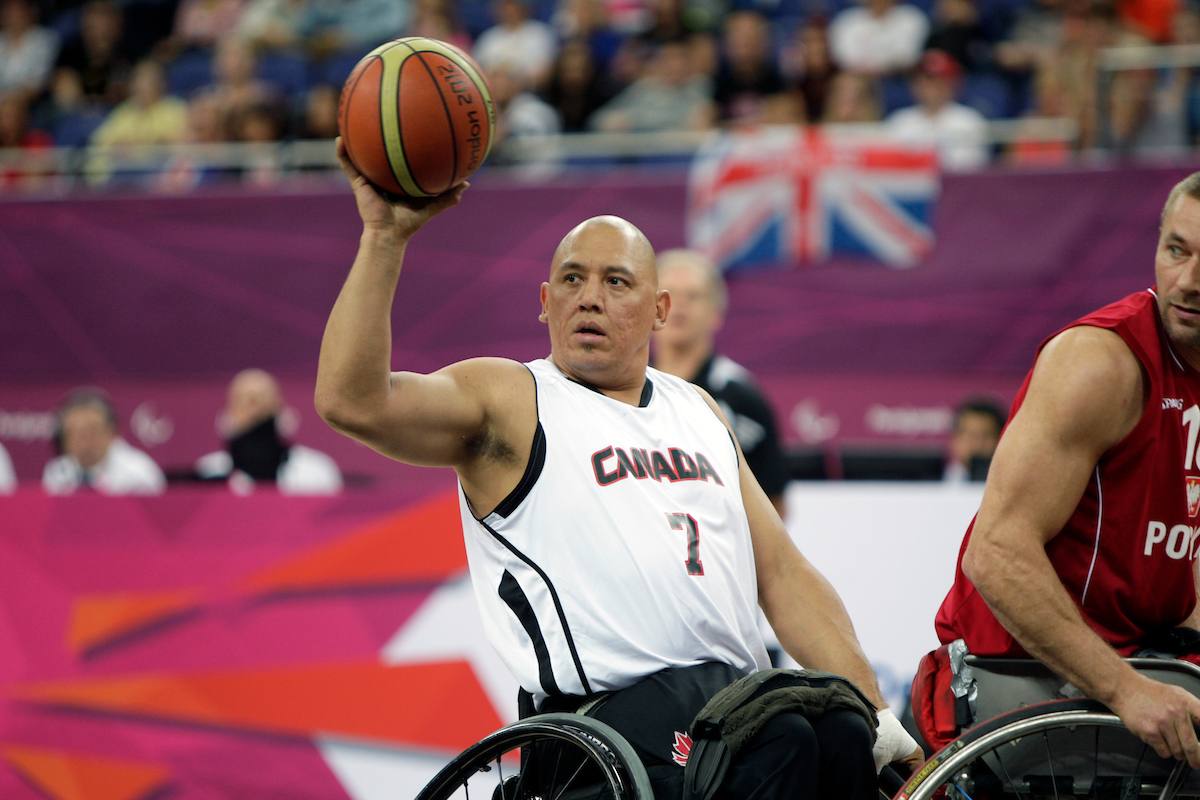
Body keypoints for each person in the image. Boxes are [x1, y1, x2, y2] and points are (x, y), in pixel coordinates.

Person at [315, 137, 923, 800]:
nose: (590, 297)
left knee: (833, 730)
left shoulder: (698, 410)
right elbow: (353, 402)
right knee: (785, 740)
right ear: (545, 301)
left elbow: (782, 573)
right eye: (572, 279)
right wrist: (384, 237)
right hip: (602, 726)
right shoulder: (512, 398)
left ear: (659, 311)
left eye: (616, 281)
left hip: (732, 699)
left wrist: (876, 711)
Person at [925, 171, 1200, 768]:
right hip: (1026, 669)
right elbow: (996, 552)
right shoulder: (1101, 363)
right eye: (1176, 250)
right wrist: (1125, 689)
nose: (1189, 281)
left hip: (1144, 653)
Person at [652, 248, 790, 516]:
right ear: (647, 308)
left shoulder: (744, 399)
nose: (678, 305)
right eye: (667, 295)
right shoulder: (618, 391)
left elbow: (775, 505)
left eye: (693, 296)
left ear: (716, 312)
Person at [196, 368, 342, 494]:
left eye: (260, 399)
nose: (252, 409)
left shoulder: (318, 472)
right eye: (242, 400)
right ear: (229, 409)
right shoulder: (209, 473)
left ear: (280, 407)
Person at [43, 388, 166, 495]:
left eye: (91, 431)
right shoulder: (56, 473)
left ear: (111, 432)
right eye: (74, 432)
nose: (83, 442)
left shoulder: (139, 474)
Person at [884, 49, 990, 171]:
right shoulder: (899, 121)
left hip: (955, 187)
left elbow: (971, 167)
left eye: (935, 80)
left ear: (952, 84)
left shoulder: (969, 121)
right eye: (922, 80)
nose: (928, 87)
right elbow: (890, 168)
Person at [942, 396, 1005, 482]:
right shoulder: (935, 482)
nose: (978, 444)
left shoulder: (1011, 484)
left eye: (986, 436)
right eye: (971, 435)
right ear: (955, 439)